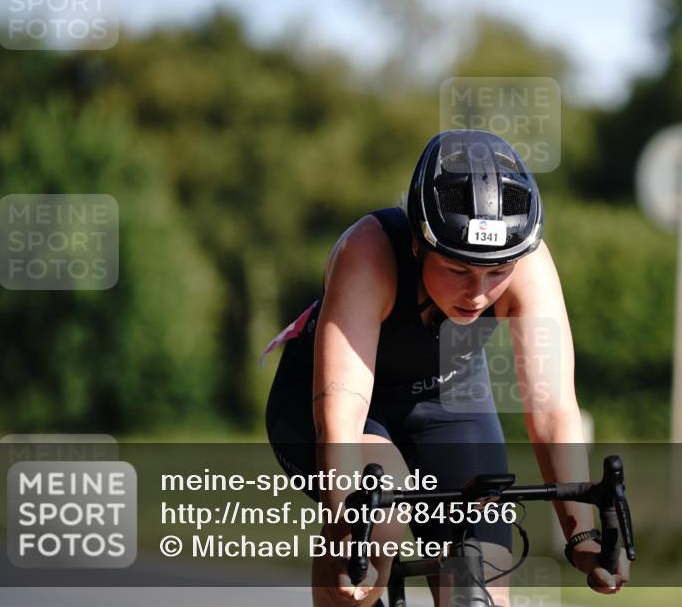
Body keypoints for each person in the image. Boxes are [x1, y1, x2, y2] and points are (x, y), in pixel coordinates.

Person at [265, 130, 629, 607]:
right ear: (418, 244)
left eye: (496, 272)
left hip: (447, 401)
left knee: (484, 584)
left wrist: (581, 535)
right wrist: (344, 529)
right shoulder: (368, 254)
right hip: (338, 403)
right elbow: (340, 416)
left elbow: (552, 408)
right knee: (377, 518)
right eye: (458, 270)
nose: (478, 293)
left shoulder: (528, 262)